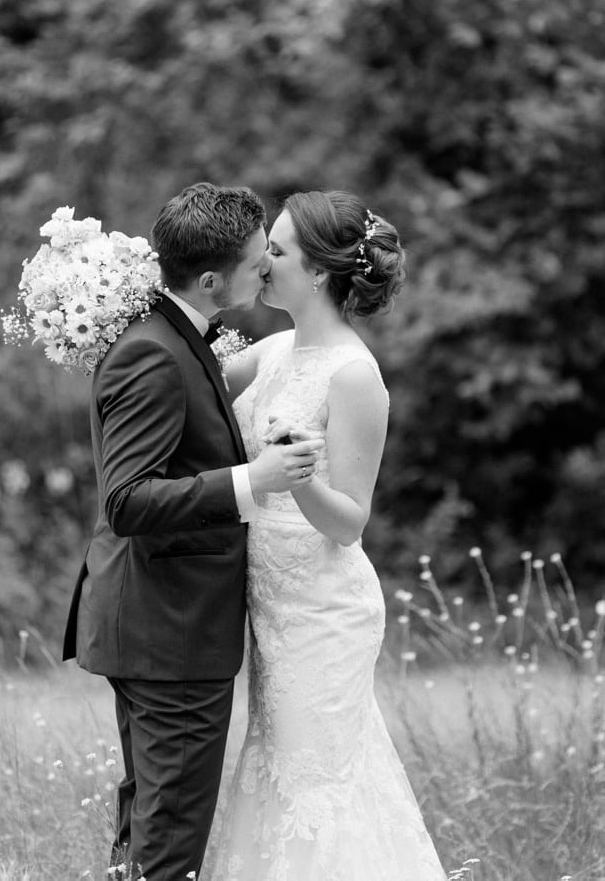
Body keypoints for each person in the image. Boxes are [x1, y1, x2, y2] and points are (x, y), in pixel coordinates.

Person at [63, 182, 325, 881]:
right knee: (169, 846)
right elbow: (127, 500)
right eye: (254, 259)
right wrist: (254, 482)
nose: (266, 268)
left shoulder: (177, 334)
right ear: (210, 279)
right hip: (170, 634)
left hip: (157, 623)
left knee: (148, 828)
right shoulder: (152, 352)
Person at [204, 190, 446, 880]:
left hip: (323, 610)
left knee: (319, 782)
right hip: (270, 602)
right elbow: (193, 385)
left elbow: (351, 521)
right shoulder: (276, 350)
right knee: (277, 767)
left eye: (275, 251)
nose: (262, 262)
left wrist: (297, 477)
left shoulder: (355, 375)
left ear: (316, 273)